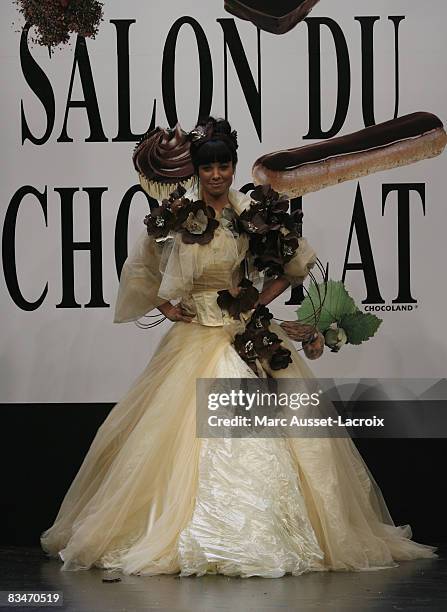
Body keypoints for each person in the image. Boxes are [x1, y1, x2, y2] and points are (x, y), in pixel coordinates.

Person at [40, 117, 437, 578]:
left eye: (224, 165)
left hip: (242, 331)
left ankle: (263, 531)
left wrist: (256, 300)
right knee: (179, 438)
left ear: (232, 167)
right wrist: (168, 308)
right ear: (196, 170)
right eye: (208, 167)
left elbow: (294, 263)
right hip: (194, 339)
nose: (216, 175)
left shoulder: (252, 212)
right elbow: (144, 265)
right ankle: (201, 530)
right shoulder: (176, 212)